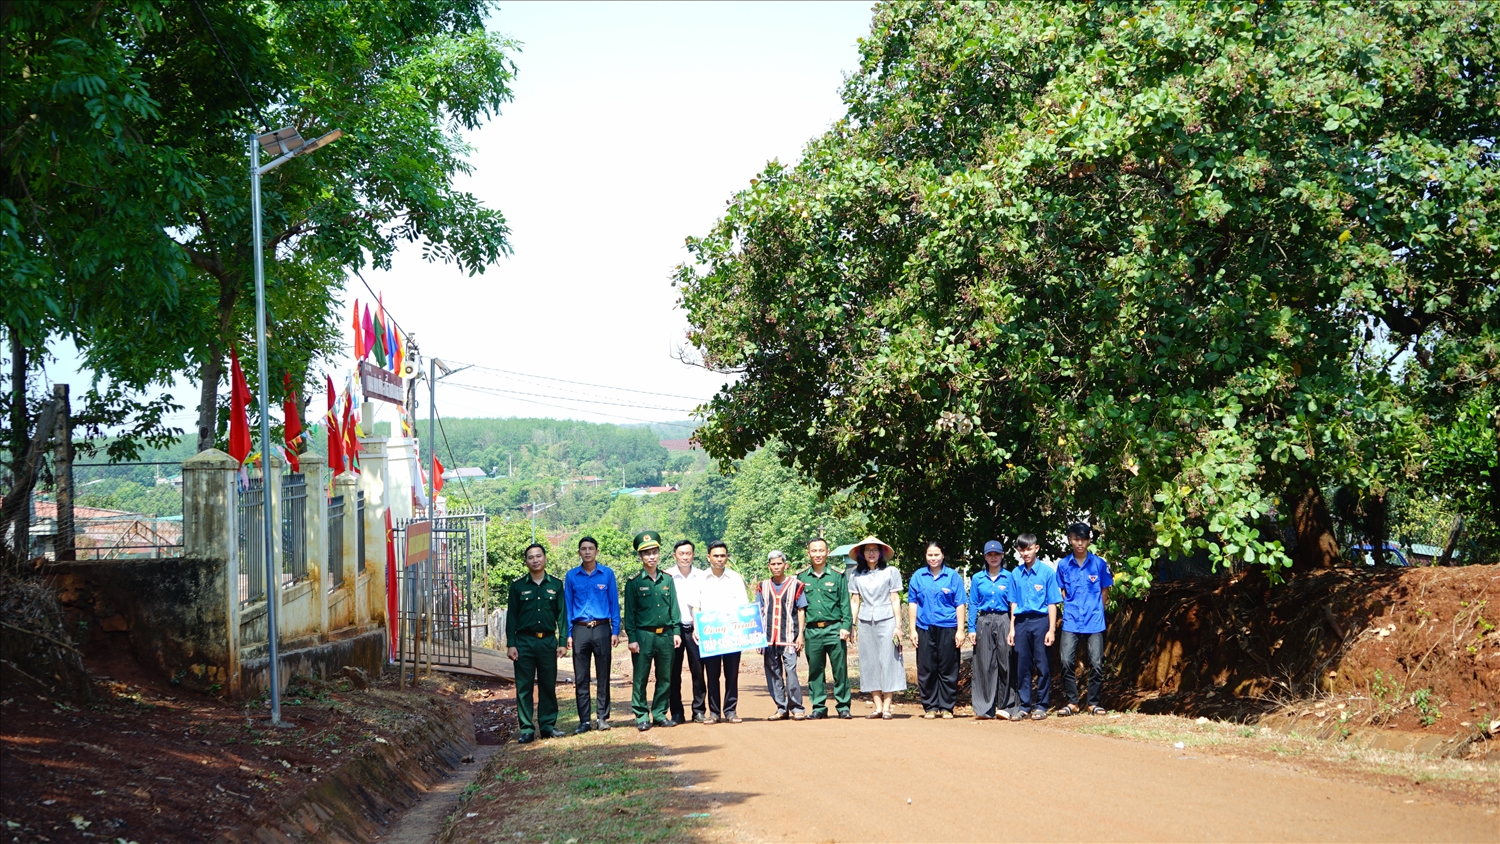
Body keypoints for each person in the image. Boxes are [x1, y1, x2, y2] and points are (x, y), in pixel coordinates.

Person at [506, 543, 568, 744]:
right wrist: (511, 643)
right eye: (531, 557)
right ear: (526, 561)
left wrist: (562, 641)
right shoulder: (517, 586)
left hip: (547, 641)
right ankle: (526, 729)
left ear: (545, 558)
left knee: (547, 685)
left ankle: (548, 726)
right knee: (524, 687)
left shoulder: (556, 585)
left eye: (538, 556)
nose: (535, 560)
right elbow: (512, 618)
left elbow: (562, 615)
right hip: (524, 641)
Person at [623, 530, 681, 731]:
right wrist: (632, 637)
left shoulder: (667, 579)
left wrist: (676, 632)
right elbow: (629, 613)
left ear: (659, 553)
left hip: (665, 635)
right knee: (641, 677)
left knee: (665, 676)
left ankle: (659, 713)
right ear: (640, 556)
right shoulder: (634, 582)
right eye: (647, 553)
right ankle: (641, 716)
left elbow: (674, 607)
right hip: (643, 635)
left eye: (654, 552)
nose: (651, 556)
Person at [1055, 523, 1114, 716]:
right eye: (1075, 539)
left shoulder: (1099, 564)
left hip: (1094, 620)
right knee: (1065, 660)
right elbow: (1062, 590)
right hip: (1071, 619)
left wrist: (1097, 609)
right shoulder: (1063, 565)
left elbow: (1105, 590)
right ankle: (1072, 702)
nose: (1079, 543)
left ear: (1089, 541)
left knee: (1096, 662)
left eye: (1083, 539)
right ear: (1070, 540)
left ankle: (1093, 703)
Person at [564, 535, 620, 733]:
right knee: (581, 677)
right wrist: (568, 634)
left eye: (591, 548)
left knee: (603, 675)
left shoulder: (607, 574)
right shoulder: (571, 576)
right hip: (580, 629)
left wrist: (615, 630)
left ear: (597, 551)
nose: (587, 552)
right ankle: (584, 720)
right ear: (579, 552)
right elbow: (568, 607)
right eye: (583, 549)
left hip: (602, 628)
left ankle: (602, 717)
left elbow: (614, 603)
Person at [847, 536, 906, 719]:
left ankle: (888, 706)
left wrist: (898, 626)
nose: (871, 553)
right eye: (867, 550)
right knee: (869, 661)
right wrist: (852, 625)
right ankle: (877, 706)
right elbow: (855, 601)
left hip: (887, 617)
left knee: (889, 660)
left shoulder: (891, 572)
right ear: (862, 554)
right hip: (865, 620)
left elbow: (895, 598)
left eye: (875, 550)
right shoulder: (856, 574)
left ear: (881, 553)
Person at [907, 541, 967, 718]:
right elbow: (913, 603)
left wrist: (960, 629)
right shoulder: (918, 576)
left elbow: (960, 604)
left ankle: (947, 707)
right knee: (927, 668)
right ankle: (931, 707)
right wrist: (912, 630)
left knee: (948, 668)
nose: (933, 558)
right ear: (926, 556)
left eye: (936, 554)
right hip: (924, 627)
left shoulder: (953, 576)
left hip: (948, 627)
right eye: (930, 555)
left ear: (942, 555)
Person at [693, 540, 750, 723]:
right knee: (712, 675)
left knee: (731, 674)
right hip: (710, 634)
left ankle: (731, 711)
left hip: (732, 634)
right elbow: (696, 607)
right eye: (716, 555)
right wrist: (696, 628)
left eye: (723, 555)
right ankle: (714, 713)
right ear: (708, 557)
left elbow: (743, 606)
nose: (719, 559)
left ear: (727, 557)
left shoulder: (735, 578)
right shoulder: (700, 578)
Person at [797, 537, 853, 719]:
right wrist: (800, 634)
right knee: (815, 670)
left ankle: (843, 705)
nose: (818, 554)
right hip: (812, 630)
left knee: (840, 670)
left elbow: (845, 603)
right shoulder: (802, 577)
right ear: (809, 553)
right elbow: (799, 608)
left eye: (821, 550)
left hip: (834, 629)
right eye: (814, 551)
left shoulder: (838, 575)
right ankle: (818, 706)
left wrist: (846, 626)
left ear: (827, 552)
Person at [1007, 533, 1062, 720]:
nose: (1026, 553)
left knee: (1043, 664)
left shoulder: (1047, 573)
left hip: (1041, 622)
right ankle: (1024, 705)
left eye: (1029, 548)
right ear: (1018, 551)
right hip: (1021, 622)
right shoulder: (1015, 573)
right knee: (1022, 665)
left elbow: (1052, 603)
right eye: (1022, 550)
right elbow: (1013, 603)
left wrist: (1051, 629)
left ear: (1036, 548)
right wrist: (1012, 628)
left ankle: (1041, 705)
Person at [969, 539, 1019, 721]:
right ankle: (984, 708)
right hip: (984, 621)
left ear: (1002, 555)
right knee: (984, 663)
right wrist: (971, 628)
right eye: (990, 555)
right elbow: (973, 603)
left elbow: (1014, 603)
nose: (993, 557)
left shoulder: (1010, 576)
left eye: (996, 554)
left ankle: (1006, 706)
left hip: (1004, 619)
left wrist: (1012, 626)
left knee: (1006, 662)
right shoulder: (977, 578)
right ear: (985, 557)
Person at [758, 550, 808, 720]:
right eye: (773, 564)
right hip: (769, 637)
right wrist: (758, 637)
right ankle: (781, 707)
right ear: (769, 566)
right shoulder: (762, 586)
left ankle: (797, 707)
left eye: (779, 563)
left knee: (791, 671)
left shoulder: (796, 585)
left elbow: (801, 610)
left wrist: (800, 635)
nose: (776, 567)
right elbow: (758, 612)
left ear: (786, 565)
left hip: (789, 637)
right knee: (773, 673)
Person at [667, 540, 708, 724]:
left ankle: (699, 710)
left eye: (688, 553)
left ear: (693, 555)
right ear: (674, 555)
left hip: (695, 629)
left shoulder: (701, 576)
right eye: (681, 553)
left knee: (698, 671)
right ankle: (676, 712)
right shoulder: (667, 575)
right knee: (673, 672)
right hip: (673, 630)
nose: (685, 557)